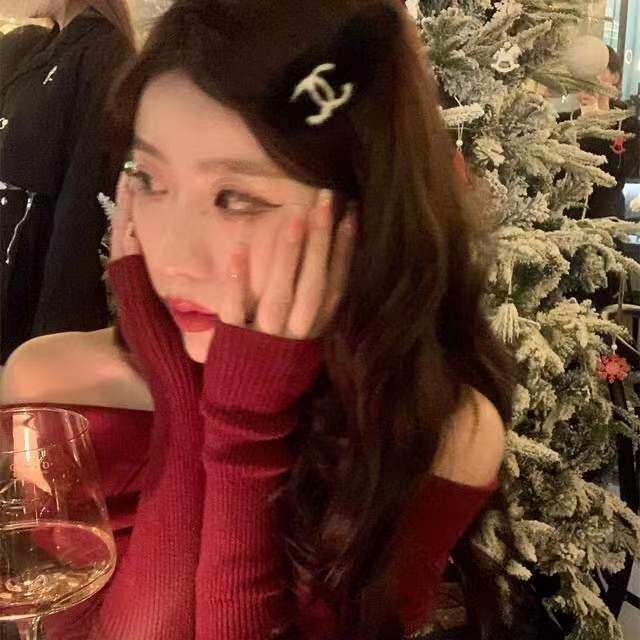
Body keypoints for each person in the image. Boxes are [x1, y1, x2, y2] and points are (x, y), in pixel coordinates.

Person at [1, 1, 515, 638]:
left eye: (235, 197)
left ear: (365, 215)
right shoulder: (53, 394)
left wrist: (243, 440)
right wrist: (183, 403)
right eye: (149, 179)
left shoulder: (434, 432)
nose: (172, 257)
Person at [0, 1, 135, 364]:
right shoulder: (33, 46)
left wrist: (54, 336)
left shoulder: (105, 54)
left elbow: (82, 206)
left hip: (33, 275)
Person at [564, 45, 640, 219]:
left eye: (597, 68)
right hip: (565, 221)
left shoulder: (628, 125)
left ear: (615, 77)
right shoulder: (565, 122)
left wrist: (596, 122)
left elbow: (627, 169)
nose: (590, 77)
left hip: (607, 221)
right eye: (584, 70)